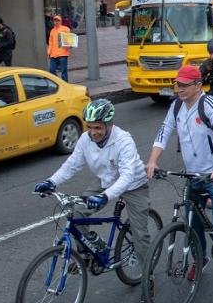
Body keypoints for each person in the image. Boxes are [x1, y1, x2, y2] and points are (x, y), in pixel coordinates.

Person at [147, 65, 213, 281]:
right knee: (193, 223)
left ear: (197, 85)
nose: (179, 89)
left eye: (184, 85)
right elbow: (164, 131)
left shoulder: (209, 104)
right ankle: (200, 259)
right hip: (193, 175)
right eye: (177, 84)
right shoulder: (176, 106)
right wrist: (152, 162)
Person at [34, 98, 151, 280]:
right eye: (90, 127)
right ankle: (90, 251)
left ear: (109, 124)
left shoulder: (124, 140)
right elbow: (72, 165)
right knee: (77, 213)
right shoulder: (85, 139)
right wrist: (51, 182)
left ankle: (147, 276)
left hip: (133, 184)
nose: (93, 132)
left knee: (140, 234)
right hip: (106, 180)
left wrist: (105, 197)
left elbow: (127, 176)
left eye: (98, 128)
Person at [47, 14, 71, 82]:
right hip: (53, 54)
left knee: (64, 71)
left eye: (58, 20)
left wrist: (70, 44)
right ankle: (58, 82)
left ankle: (65, 84)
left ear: (60, 21)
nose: (56, 22)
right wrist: (49, 52)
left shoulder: (65, 29)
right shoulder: (52, 31)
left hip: (63, 54)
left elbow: (70, 39)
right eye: (55, 21)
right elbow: (50, 43)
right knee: (51, 70)